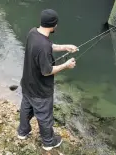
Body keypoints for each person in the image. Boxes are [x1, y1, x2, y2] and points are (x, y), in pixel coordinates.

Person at [17, 9, 78, 151]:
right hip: (40, 90)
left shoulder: (33, 33)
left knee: (26, 108)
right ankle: (48, 142)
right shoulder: (43, 47)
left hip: (27, 84)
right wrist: (66, 65)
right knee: (44, 116)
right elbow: (47, 71)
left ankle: (22, 132)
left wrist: (65, 47)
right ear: (53, 25)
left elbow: (48, 46)